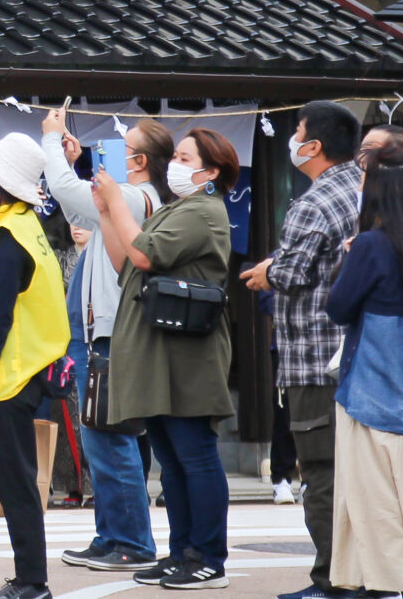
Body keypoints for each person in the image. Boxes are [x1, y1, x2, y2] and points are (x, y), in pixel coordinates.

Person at [95, 128, 239, 590]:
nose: (174, 163)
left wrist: (117, 198)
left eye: (183, 156)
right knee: (171, 459)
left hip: (188, 352)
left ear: (210, 171)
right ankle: (182, 551)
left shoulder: (203, 210)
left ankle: (209, 556)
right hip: (161, 347)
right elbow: (125, 260)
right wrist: (105, 211)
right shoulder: (180, 207)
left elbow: (144, 256)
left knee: (194, 454)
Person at [236, 101, 363, 599]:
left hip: (314, 357)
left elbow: (290, 272)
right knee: (354, 475)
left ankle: (333, 579)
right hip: (354, 355)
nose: (293, 143)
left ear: (312, 147)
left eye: (299, 134)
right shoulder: (363, 188)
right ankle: (362, 574)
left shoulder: (314, 200)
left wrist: (268, 269)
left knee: (322, 474)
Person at [43, 113, 164, 569]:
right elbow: (80, 209)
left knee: (112, 440)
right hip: (98, 332)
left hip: (111, 335)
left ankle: (132, 541)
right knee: (99, 440)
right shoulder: (124, 197)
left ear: (139, 160)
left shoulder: (136, 197)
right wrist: (74, 165)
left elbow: (64, 191)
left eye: (125, 147)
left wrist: (51, 142)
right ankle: (111, 535)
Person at [0, 134, 71, 599]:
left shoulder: (8, 237)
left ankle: (32, 582)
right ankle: (29, 578)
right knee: (18, 477)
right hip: (29, 367)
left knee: (16, 480)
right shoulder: (27, 227)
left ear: (1, 181)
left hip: (9, 373)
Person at [326, 152, 403, 599]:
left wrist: (350, 257)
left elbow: (338, 307)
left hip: (371, 400)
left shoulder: (373, 245)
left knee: (374, 515)